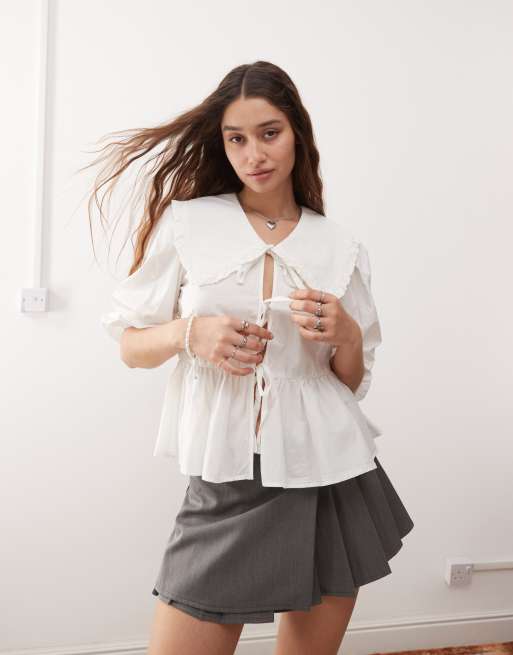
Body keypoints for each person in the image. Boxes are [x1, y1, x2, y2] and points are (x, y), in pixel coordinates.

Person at [89, 60, 414, 655]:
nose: (254, 154)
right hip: (226, 478)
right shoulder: (189, 224)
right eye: (236, 139)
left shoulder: (339, 246)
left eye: (269, 133)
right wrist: (190, 333)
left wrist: (346, 335)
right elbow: (131, 345)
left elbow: (347, 384)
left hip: (328, 471)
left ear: (298, 134)